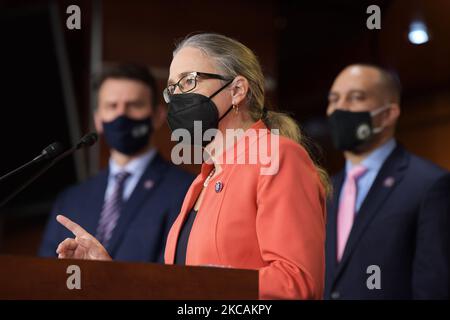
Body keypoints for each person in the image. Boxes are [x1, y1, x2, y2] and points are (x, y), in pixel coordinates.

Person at [54, 33, 330, 300]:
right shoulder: (202, 181)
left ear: (236, 90)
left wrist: (206, 284)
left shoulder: (277, 156)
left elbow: (297, 283)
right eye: (171, 89)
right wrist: (113, 275)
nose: (176, 97)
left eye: (188, 81)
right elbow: (176, 291)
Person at [39, 64, 194, 263]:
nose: (122, 115)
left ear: (157, 116)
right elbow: (45, 276)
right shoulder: (70, 199)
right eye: (112, 106)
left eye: (134, 105)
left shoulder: (186, 192)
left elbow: (176, 280)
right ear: (98, 119)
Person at [325, 64, 450, 299]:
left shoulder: (428, 185)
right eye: (334, 99)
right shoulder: (326, 189)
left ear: (389, 113)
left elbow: (435, 286)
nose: (339, 108)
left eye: (355, 98)